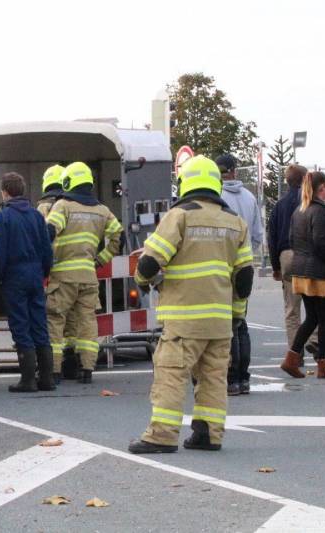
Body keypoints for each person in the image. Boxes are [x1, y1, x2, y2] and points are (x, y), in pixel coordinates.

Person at [128, 155, 254, 454]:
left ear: (185, 182)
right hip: (221, 320)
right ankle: (208, 434)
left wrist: (144, 282)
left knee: (171, 374)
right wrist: (236, 315)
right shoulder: (235, 223)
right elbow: (244, 276)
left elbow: (150, 262)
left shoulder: (179, 216)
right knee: (213, 378)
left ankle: (162, 435)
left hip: (184, 319)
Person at [45, 162, 122, 384]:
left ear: (68, 182)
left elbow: (49, 232)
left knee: (56, 321)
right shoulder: (103, 211)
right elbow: (120, 238)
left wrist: (44, 260)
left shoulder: (63, 206)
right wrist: (100, 260)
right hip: (88, 276)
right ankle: (87, 369)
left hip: (62, 276)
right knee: (87, 323)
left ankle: (55, 371)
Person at [280, 171, 325, 379]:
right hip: (321, 273)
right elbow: (320, 241)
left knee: (312, 318)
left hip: (302, 270)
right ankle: (324, 365)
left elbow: (292, 239)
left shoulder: (299, 211)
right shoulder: (320, 211)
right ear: (322, 188)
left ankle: (291, 358)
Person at [0, 172, 55, 392]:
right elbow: (47, 250)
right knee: (39, 323)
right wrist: (44, 272)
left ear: (5, 192)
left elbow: (1, 253)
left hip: (14, 276)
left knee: (20, 325)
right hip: (35, 275)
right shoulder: (37, 216)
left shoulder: (4, 217)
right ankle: (47, 378)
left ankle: (28, 379)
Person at [217, 154, 263, 396]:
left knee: (227, 327)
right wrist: (247, 254)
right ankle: (244, 378)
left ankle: (231, 379)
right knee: (240, 322)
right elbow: (257, 234)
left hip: (222, 267)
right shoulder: (249, 198)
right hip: (245, 267)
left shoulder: (216, 198)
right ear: (235, 171)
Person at [268, 164, 319, 357]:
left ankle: (294, 352)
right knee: (315, 301)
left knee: (292, 307)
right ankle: (314, 340)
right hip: (308, 253)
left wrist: (275, 266)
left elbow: (272, 236)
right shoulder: (310, 201)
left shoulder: (279, 205)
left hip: (287, 255)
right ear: (306, 179)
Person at [36, 165, 79, 380]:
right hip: (77, 273)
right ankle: (74, 365)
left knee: (54, 321)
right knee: (73, 323)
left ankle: (54, 369)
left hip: (53, 273)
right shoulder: (74, 205)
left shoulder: (44, 208)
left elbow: (40, 238)